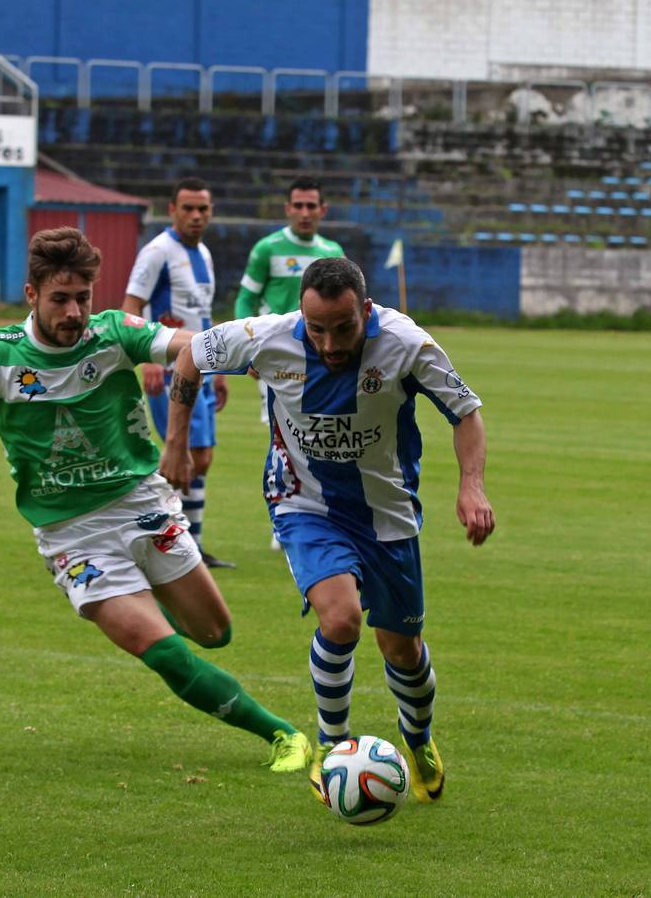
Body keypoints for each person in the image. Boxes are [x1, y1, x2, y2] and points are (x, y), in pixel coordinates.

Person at [0, 227, 311, 772]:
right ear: (31, 296)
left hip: (142, 503)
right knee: (165, 653)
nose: (73, 312)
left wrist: (240, 349)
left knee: (215, 632)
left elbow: (183, 344)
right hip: (71, 533)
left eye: (83, 298)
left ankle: (152, 598)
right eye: (60, 299)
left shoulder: (112, 332)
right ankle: (283, 735)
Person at [161, 256, 495, 805]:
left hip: (387, 513)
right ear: (301, 314)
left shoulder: (407, 344)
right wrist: (176, 444)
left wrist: (472, 486)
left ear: (366, 310)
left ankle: (420, 738)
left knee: (402, 649)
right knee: (339, 620)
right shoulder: (264, 337)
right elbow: (189, 357)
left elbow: (466, 413)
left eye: (344, 328)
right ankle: (332, 746)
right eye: (317, 329)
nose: (331, 343)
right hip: (303, 503)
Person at [121, 178, 233, 569]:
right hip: (169, 369)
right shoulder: (157, 252)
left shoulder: (203, 253)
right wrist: (147, 356)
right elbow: (132, 303)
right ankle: (148, 530)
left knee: (200, 458)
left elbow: (203, 315)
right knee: (188, 454)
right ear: (172, 210)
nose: (197, 215)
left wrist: (218, 369)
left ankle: (191, 545)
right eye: (188, 208)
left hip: (201, 368)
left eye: (203, 208)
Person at [235, 176, 345, 551]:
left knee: (321, 435)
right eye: (297, 205)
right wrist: (248, 350)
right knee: (282, 439)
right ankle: (283, 516)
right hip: (278, 360)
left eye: (310, 205)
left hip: (324, 358)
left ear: (322, 210)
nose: (303, 212)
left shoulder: (332, 251)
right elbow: (245, 301)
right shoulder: (267, 249)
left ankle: (321, 511)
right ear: (287, 208)